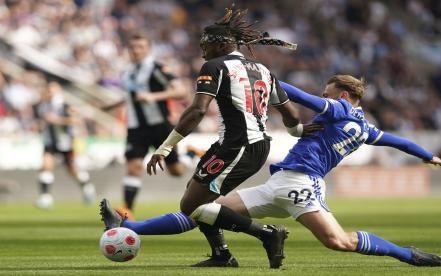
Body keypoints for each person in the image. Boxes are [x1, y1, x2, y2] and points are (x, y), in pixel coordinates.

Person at [100, 6, 317, 269]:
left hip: (239, 146)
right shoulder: (262, 70)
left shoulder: (215, 66)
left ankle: (267, 234)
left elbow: (197, 110)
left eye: (205, 44)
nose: (202, 49)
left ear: (222, 44)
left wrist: (166, 147)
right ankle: (221, 255)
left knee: (192, 205)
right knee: (197, 199)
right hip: (245, 144)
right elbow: (289, 111)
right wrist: (298, 131)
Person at [188, 75, 441, 267]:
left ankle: (406, 254)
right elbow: (400, 142)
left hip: (302, 183)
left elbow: (301, 96)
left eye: (327, 94)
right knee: (207, 210)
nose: (324, 98)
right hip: (282, 181)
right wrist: (428, 155)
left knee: (338, 241)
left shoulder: (340, 108)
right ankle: (221, 254)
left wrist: (265, 80)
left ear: (344, 95)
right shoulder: (367, 128)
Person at [106, 32, 188, 219]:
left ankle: (189, 154)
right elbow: (131, 96)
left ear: (148, 49)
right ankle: (128, 210)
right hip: (136, 127)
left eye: (140, 47)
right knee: (133, 166)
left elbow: (181, 91)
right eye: (133, 47)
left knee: (176, 171)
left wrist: (153, 96)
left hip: (160, 126)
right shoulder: (126, 72)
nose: (136, 51)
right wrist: (113, 104)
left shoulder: (157, 68)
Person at [34, 81, 96, 209]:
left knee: (73, 171)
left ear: (58, 92)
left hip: (65, 143)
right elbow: (42, 121)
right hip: (50, 142)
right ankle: (46, 198)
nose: (50, 93)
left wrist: (57, 120)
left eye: (52, 90)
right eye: (48, 90)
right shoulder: (43, 106)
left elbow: (77, 120)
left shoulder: (65, 106)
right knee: (46, 166)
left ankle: (87, 188)